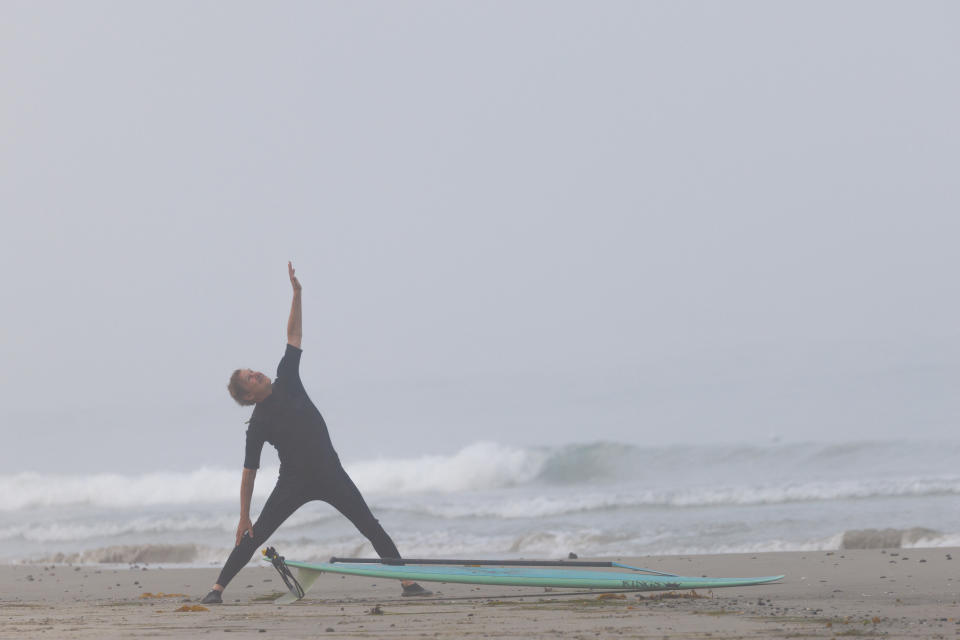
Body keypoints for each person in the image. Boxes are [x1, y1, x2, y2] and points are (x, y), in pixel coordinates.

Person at [200, 262, 430, 604]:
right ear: (248, 396)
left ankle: (408, 584)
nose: (257, 373)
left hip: (330, 473)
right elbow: (249, 472)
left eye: (253, 370)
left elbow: (293, 337)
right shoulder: (258, 423)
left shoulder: (286, 379)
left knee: (369, 525)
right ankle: (216, 590)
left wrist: (297, 294)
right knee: (255, 532)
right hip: (293, 482)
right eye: (250, 377)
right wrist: (243, 515)